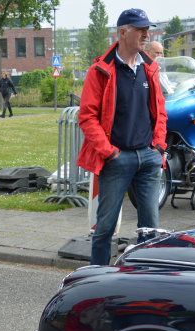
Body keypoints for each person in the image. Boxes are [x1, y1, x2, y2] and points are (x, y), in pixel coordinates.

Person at [77, 8, 168, 266]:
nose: (146, 35)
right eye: (140, 30)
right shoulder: (101, 70)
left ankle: (145, 277)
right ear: (123, 32)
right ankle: (96, 280)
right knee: (105, 227)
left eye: (147, 30)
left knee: (150, 229)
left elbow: (161, 112)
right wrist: (109, 152)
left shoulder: (149, 69)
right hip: (116, 159)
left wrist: (158, 146)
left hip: (149, 159)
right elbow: (87, 117)